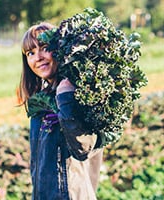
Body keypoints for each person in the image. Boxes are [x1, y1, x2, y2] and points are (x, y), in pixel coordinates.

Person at [17, 22, 103, 200]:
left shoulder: (79, 95)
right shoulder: (40, 102)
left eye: (45, 47)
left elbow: (83, 148)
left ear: (61, 49)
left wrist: (65, 97)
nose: (37, 57)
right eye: (30, 53)